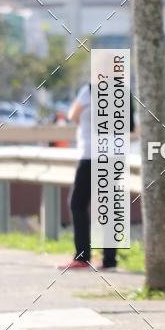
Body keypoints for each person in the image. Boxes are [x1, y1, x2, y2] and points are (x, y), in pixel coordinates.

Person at [60, 83, 117, 271]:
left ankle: (82, 257)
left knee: (77, 203)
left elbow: (72, 116)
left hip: (90, 156)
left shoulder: (89, 90)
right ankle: (110, 260)